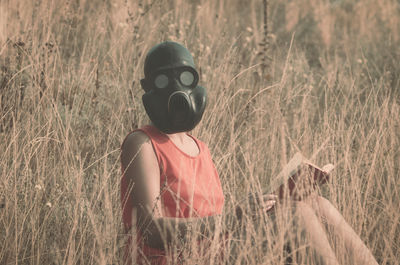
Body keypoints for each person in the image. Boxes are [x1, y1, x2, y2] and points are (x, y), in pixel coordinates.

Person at [120, 41, 379, 265]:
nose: (177, 88)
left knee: (316, 205)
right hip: (179, 258)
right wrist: (233, 219)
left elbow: (215, 222)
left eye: (186, 77)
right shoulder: (142, 143)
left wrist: (268, 203)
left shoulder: (200, 148)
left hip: (215, 249)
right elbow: (150, 230)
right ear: (150, 89)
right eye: (164, 80)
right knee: (296, 215)